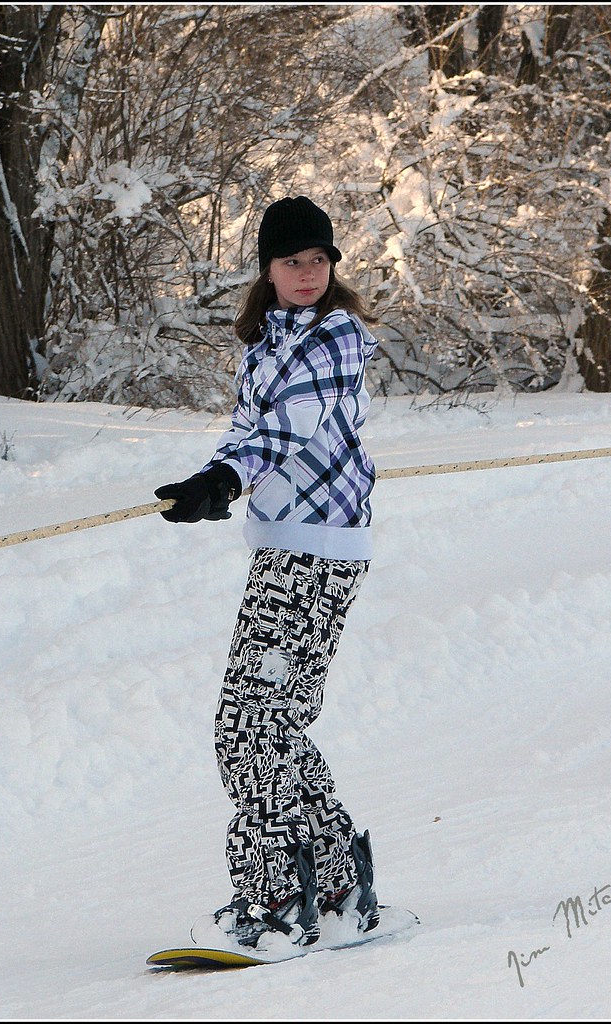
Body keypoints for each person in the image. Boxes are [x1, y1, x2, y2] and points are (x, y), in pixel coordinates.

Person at [155, 195, 380, 952]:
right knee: (271, 722)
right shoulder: (269, 340)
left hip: (315, 550)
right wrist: (212, 478)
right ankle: (339, 878)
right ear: (268, 270)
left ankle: (277, 897)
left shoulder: (339, 335)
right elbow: (253, 428)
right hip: (287, 545)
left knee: (245, 728)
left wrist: (228, 477)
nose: (309, 272)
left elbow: (291, 428)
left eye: (320, 259)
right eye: (294, 261)